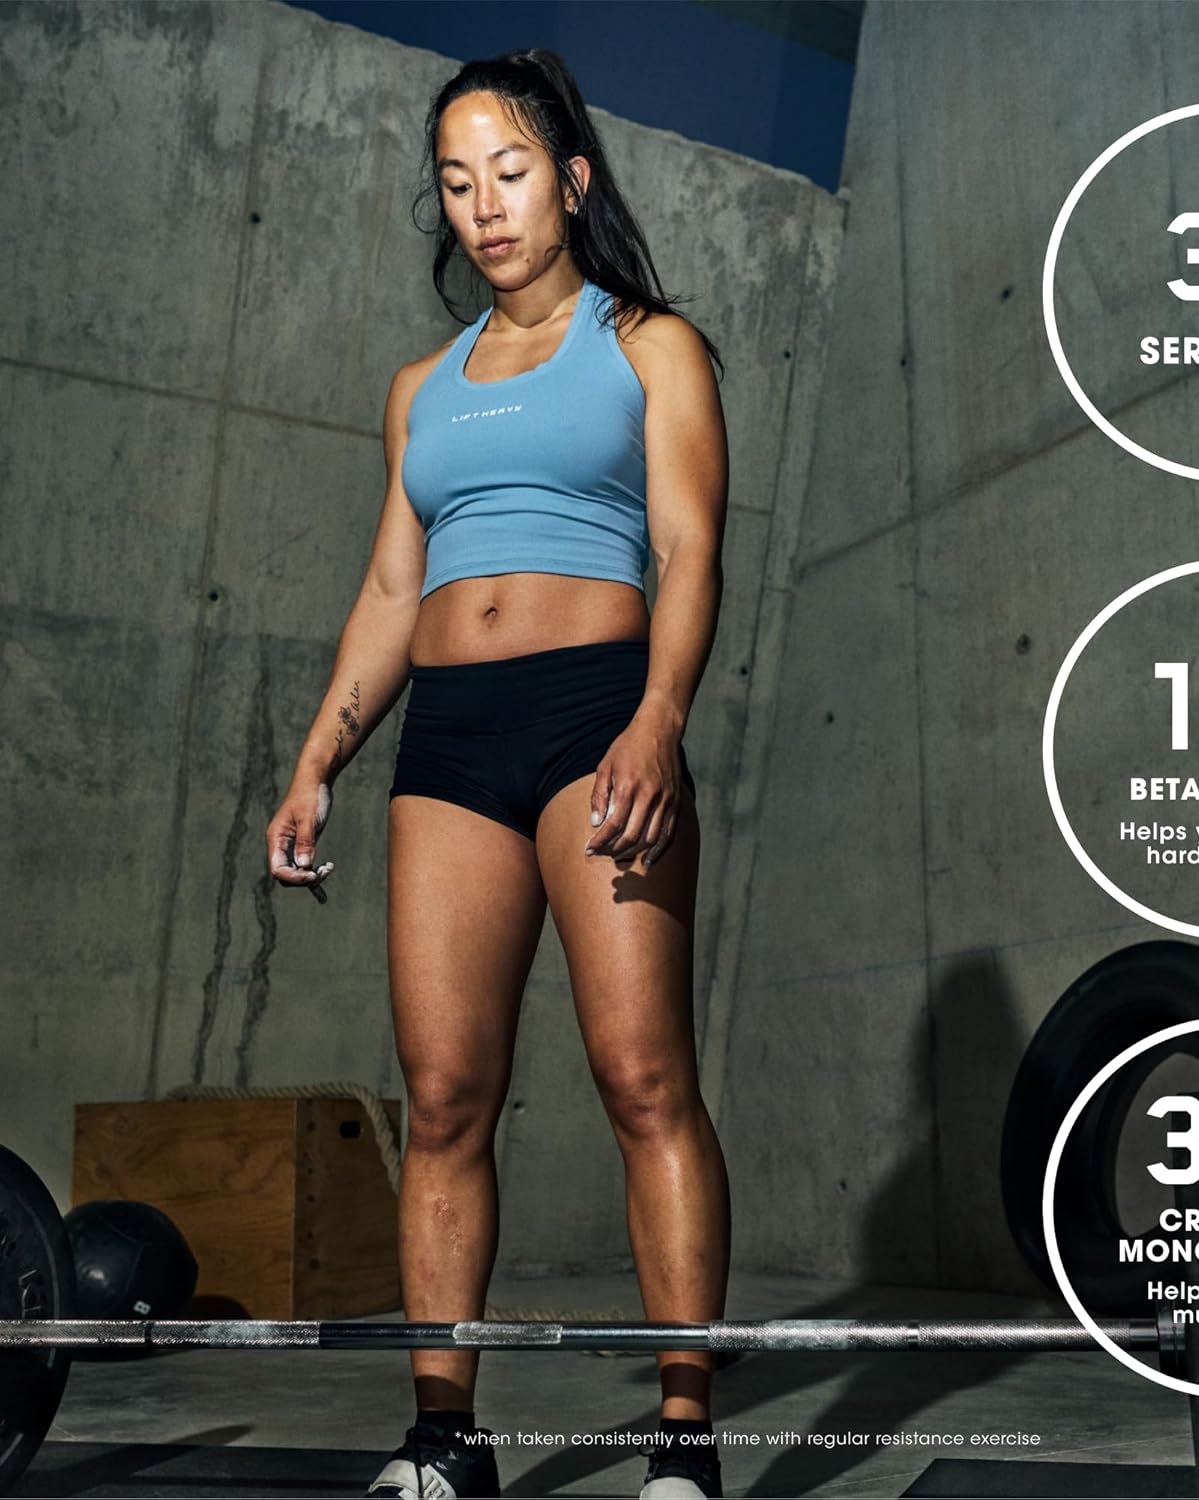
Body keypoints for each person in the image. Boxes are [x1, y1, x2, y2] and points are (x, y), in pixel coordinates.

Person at [264, 49, 731, 1500]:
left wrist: (657, 718)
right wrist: (318, 759)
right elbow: (390, 589)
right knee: (447, 1097)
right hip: (451, 743)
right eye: (459, 182)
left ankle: (683, 1441)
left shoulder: (652, 345)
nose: (486, 207)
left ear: (571, 181)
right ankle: (444, 1441)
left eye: (512, 173)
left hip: (599, 719)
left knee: (643, 1080)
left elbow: (689, 550)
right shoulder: (422, 388)